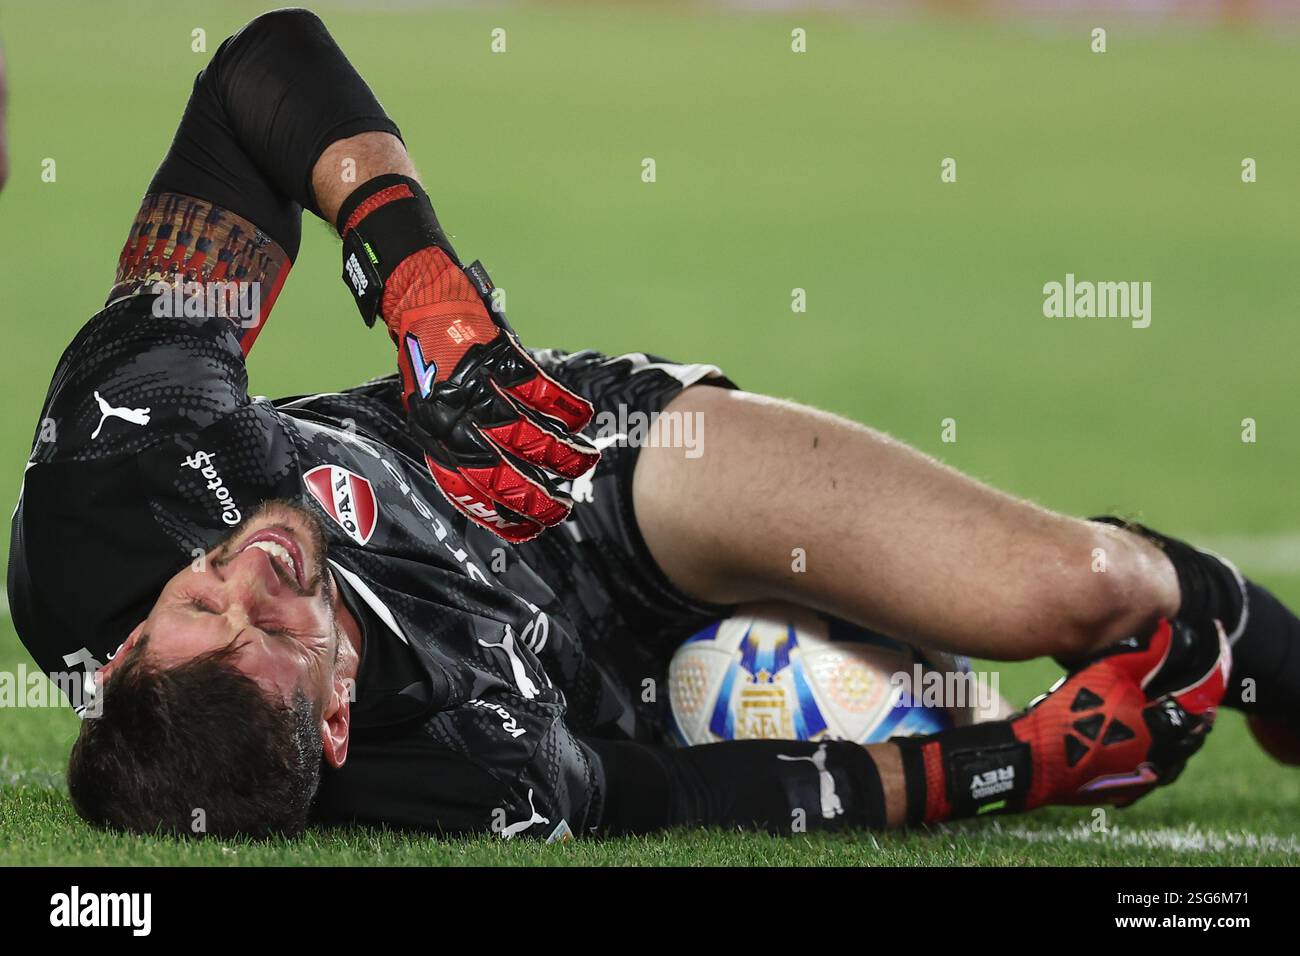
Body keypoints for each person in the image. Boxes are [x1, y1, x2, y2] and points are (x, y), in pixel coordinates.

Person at [9, 10, 1294, 840]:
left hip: (600, 476)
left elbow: (259, 72)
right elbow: (696, 800)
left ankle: (1272, 663)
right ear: (336, 719)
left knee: (1081, 588)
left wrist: (414, 273)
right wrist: (1019, 764)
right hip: (616, 692)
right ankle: (816, 653)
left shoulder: (117, 473)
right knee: (939, 677)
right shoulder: (469, 774)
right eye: (280, 635)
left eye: (198, 608)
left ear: (122, 652)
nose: (253, 580)